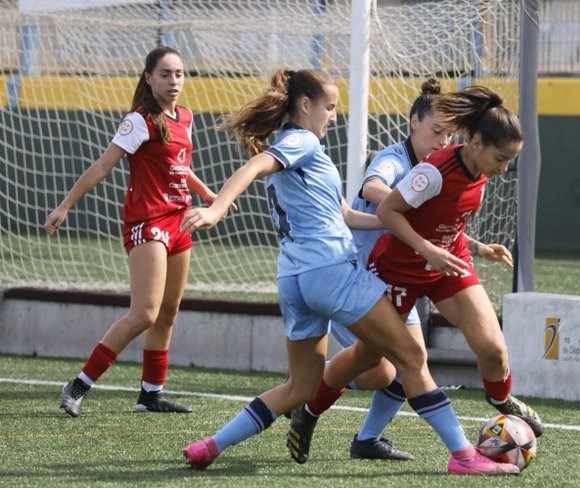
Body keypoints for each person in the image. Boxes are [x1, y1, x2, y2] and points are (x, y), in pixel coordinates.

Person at [180, 68, 519, 476]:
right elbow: (254, 167)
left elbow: (347, 216)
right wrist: (217, 207)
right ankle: (464, 457)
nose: (333, 116)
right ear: (305, 105)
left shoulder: (307, 154)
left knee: (301, 387)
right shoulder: (300, 140)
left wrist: (409, 224)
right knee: (411, 358)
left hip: (293, 280)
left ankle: (209, 446)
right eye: (330, 107)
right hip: (332, 274)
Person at [289, 83, 530, 463]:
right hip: (392, 270)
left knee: (493, 349)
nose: (503, 169)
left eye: (508, 161)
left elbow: (443, 223)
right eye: (501, 159)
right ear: (478, 143)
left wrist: (475, 248)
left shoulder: (480, 176)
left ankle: (502, 401)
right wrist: (425, 243)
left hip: (444, 264)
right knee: (374, 366)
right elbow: (382, 202)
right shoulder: (422, 170)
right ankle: (310, 409)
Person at [44, 46, 216, 417]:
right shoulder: (140, 120)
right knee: (144, 314)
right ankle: (77, 385)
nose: (174, 81)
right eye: (166, 74)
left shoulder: (185, 116)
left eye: (179, 74)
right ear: (149, 78)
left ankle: (150, 395)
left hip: (180, 220)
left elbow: (179, 165)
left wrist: (206, 193)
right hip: (148, 222)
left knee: (168, 313)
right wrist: (65, 205)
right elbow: (103, 165)